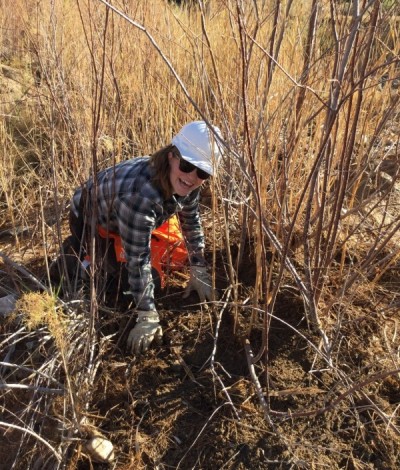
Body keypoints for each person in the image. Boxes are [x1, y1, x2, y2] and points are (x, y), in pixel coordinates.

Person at [59, 120, 223, 354]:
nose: (193, 177)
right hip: (94, 222)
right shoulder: (141, 196)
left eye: (203, 171)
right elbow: (138, 259)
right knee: (128, 287)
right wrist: (146, 313)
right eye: (187, 165)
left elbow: (191, 220)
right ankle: (76, 258)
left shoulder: (187, 182)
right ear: (171, 156)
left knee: (177, 255)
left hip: (140, 217)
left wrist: (199, 268)